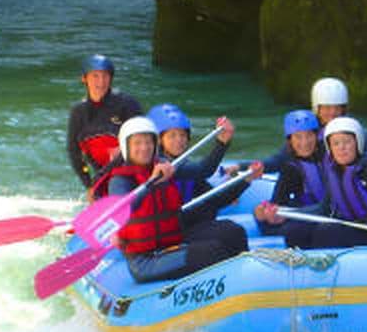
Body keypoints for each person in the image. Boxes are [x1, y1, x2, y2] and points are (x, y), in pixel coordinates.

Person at [104, 116, 259, 284]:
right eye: (138, 143)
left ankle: (249, 285)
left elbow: (203, 170)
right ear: (127, 147)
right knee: (213, 252)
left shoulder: (163, 166)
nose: (144, 147)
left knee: (233, 231)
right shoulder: (120, 181)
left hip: (173, 240)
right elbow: (124, 209)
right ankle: (229, 294)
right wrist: (152, 182)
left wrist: (222, 143)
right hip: (146, 260)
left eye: (148, 142)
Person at [260, 117, 367, 258]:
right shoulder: (335, 173)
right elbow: (324, 209)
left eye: (347, 142)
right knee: (324, 231)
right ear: (329, 147)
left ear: (357, 142)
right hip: (358, 228)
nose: (342, 148)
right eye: (336, 143)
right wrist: (287, 215)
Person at [228, 77, 367, 175]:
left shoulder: (360, 134)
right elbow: (277, 161)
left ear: (344, 108)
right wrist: (241, 167)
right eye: (327, 108)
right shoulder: (308, 134)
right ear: (317, 108)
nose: (333, 112)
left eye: (337, 107)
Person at [146, 103, 260, 228]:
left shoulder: (186, 166)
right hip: (166, 231)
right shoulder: (159, 165)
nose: (179, 140)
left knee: (230, 228)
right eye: (172, 135)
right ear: (159, 140)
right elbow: (205, 170)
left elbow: (216, 200)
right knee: (228, 230)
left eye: (183, 135)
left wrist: (246, 180)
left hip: (186, 226)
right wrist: (221, 144)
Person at [66, 54, 142, 194]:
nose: (101, 82)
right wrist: (89, 185)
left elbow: (144, 142)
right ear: (84, 79)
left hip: (130, 172)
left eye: (105, 76)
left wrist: (100, 178)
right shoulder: (78, 111)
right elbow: (74, 152)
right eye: (95, 76)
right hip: (101, 176)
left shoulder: (127, 104)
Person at [253, 110, 325, 247]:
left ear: (317, 136)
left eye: (309, 135)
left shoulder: (329, 159)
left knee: (294, 231)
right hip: (305, 207)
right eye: (298, 137)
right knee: (260, 214)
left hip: (327, 210)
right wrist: (269, 214)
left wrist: (290, 214)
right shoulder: (290, 164)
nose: (304, 142)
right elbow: (278, 201)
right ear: (290, 140)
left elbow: (331, 204)